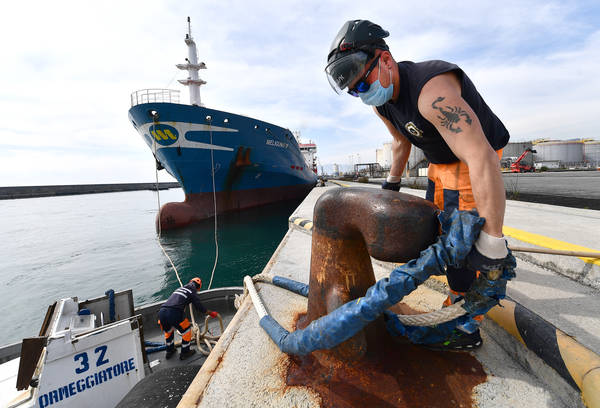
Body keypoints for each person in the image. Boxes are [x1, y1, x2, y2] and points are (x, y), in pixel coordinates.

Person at [325, 20, 512, 350]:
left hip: (471, 160)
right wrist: (391, 187)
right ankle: (461, 276)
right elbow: (399, 141)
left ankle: (465, 325)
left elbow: (482, 157)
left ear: (385, 60)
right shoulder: (380, 100)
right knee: (434, 230)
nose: (360, 92)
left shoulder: (432, 90)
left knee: (462, 244)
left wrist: (493, 240)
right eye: (353, 90)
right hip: (438, 165)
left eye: (362, 81)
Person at [158, 277, 218, 360]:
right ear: (198, 287)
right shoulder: (192, 292)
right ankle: (185, 353)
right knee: (186, 331)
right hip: (174, 313)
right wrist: (211, 313)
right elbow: (200, 308)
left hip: (162, 312)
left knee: (168, 331)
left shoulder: (179, 289)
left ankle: (169, 351)